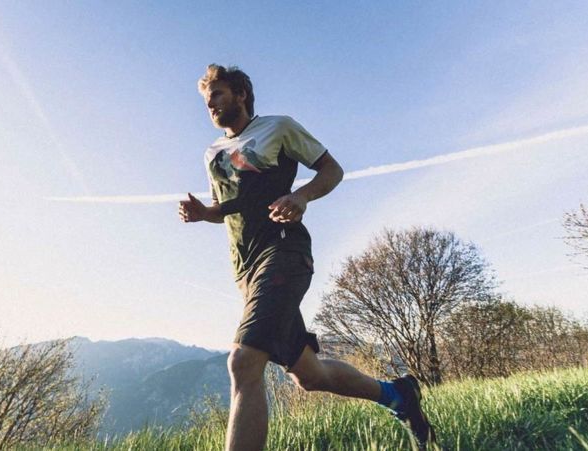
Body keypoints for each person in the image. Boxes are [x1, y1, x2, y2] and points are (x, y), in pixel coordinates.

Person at [179, 64, 436, 451]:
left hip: (284, 251)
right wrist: (204, 213)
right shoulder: (212, 154)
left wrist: (301, 197)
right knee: (309, 375)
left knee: (243, 362)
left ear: (240, 94)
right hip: (245, 270)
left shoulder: (278, 127)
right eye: (206, 99)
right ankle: (398, 395)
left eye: (216, 94)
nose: (210, 104)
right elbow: (226, 207)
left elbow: (332, 169)